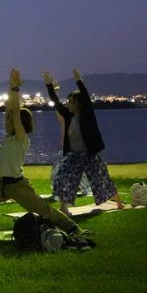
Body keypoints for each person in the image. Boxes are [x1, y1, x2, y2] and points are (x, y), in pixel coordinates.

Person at [0, 69, 82, 240]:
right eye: (8, 120)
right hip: (3, 185)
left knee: (44, 210)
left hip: (18, 186)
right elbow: (10, 109)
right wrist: (11, 87)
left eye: (11, 121)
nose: (8, 121)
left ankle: (71, 227)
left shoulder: (21, 137)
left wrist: (16, 90)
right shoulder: (10, 139)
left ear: (21, 124)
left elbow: (15, 113)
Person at [42, 67, 124, 216]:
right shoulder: (68, 116)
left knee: (101, 179)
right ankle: (64, 208)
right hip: (74, 155)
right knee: (62, 177)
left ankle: (118, 201)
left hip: (90, 154)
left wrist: (79, 81)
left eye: (72, 102)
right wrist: (49, 86)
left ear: (79, 104)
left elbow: (86, 97)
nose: (69, 104)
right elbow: (56, 102)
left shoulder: (87, 116)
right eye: (68, 102)